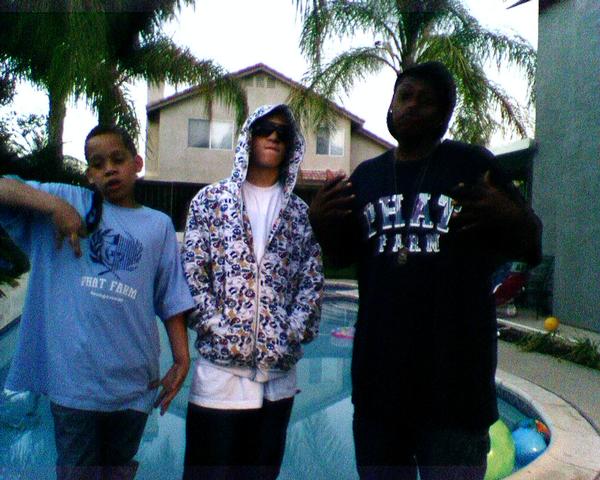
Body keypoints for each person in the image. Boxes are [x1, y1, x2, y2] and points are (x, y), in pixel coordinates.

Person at [309, 61, 542, 480]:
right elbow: (342, 255)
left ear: (444, 114)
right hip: (380, 391)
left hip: (455, 393)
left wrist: (513, 215)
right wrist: (319, 223)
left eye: (427, 100)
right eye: (405, 96)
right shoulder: (368, 177)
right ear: (391, 106)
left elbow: (532, 244)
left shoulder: (471, 166)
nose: (412, 105)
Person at [0, 125, 194, 480]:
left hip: (135, 385)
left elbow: (171, 297)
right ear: (89, 175)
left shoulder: (159, 226)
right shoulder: (68, 200)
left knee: (119, 472)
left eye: (118, 159)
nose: (109, 169)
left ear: (137, 163)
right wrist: (55, 206)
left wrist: (182, 358)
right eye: (98, 164)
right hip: (75, 386)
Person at [181, 104, 323, 480]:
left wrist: (290, 334)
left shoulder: (299, 213)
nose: (273, 136)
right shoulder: (210, 202)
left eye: (282, 133)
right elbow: (193, 273)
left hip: (277, 383)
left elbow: (311, 281)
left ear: (292, 145)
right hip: (219, 378)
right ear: (248, 136)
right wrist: (218, 328)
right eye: (264, 129)